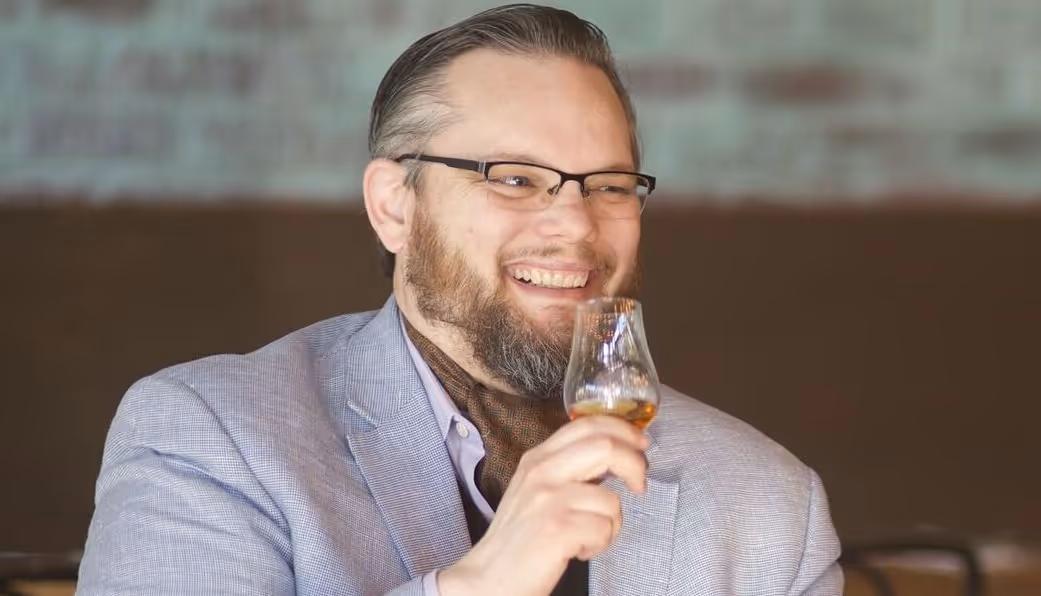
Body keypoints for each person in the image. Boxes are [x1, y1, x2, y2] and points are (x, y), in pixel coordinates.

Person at [76, 4, 842, 595]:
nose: (573, 224)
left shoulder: (769, 503)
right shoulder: (211, 435)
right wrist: (481, 583)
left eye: (608, 185)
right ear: (394, 207)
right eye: (513, 178)